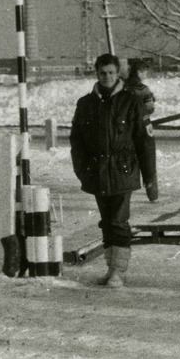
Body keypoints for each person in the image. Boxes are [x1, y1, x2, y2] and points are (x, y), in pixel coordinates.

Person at [70, 53, 156, 288]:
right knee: (107, 221)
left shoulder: (132, 102)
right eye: (102, 73)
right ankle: (111, 269)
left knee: (118, 221)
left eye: (111, 72)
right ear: (96, 74)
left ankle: (118, 271)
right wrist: (82, 170)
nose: (107, 77)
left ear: (118, 74)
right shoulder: (85, 104)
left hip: (123, 171)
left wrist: (150, 179)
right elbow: (76, 141)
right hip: (97, 172)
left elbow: (145, 143)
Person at [125, 60, 159, 202]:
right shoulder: (143, 89)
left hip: (126, 127)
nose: (146, 74)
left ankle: (126, 191)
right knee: (148, 157)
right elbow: (150, 108)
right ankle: (152, 193)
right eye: (145, 71)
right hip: (143, 126)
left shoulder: (124, 87)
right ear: (139, 72)